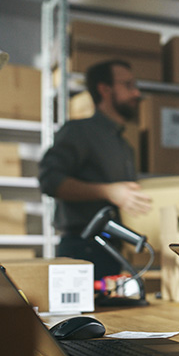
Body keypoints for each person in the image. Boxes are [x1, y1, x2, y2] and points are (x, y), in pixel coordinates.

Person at [39, 60, 152, 280]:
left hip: (112, 249)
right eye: (128, 85)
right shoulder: (78, 132)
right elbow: (50, 180)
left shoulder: (124, 145)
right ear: (104, 89)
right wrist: (109, 192)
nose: (136, 93)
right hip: (82, 248)